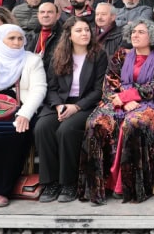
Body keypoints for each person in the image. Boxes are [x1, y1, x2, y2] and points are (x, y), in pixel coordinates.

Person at [78, 19, 154, 205]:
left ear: (152, 36)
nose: (135, 35)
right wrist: (122, 101)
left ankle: (128, 187)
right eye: (133, 32)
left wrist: (128, 96)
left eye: (141, 32)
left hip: (150, 103)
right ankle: (97, 187)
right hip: (118, 101)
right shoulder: (121, 55)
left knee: (133, 124)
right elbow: (109, 84)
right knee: (95, 123)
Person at [0, 25, 47, 207]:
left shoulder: (32, 60)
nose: (16, 42)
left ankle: (0, 190)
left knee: (14, 135)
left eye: (20, 38)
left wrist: (25, 115)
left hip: (21, 110)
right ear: (0, 40)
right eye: (11, 38)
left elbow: (39, 89)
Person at [35, 17, 108, 203]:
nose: (84, 33)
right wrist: (58, 105)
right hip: (59, 103)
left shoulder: (99, 55)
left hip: (86, 104)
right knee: (43, 127)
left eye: (87, 30)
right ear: (69, 35)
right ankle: (50, 182)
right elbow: (51, 87)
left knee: (66, 130)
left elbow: (99, 90)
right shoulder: (58, 55)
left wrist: (76, 107)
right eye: (79, 30)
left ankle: (69, 183)